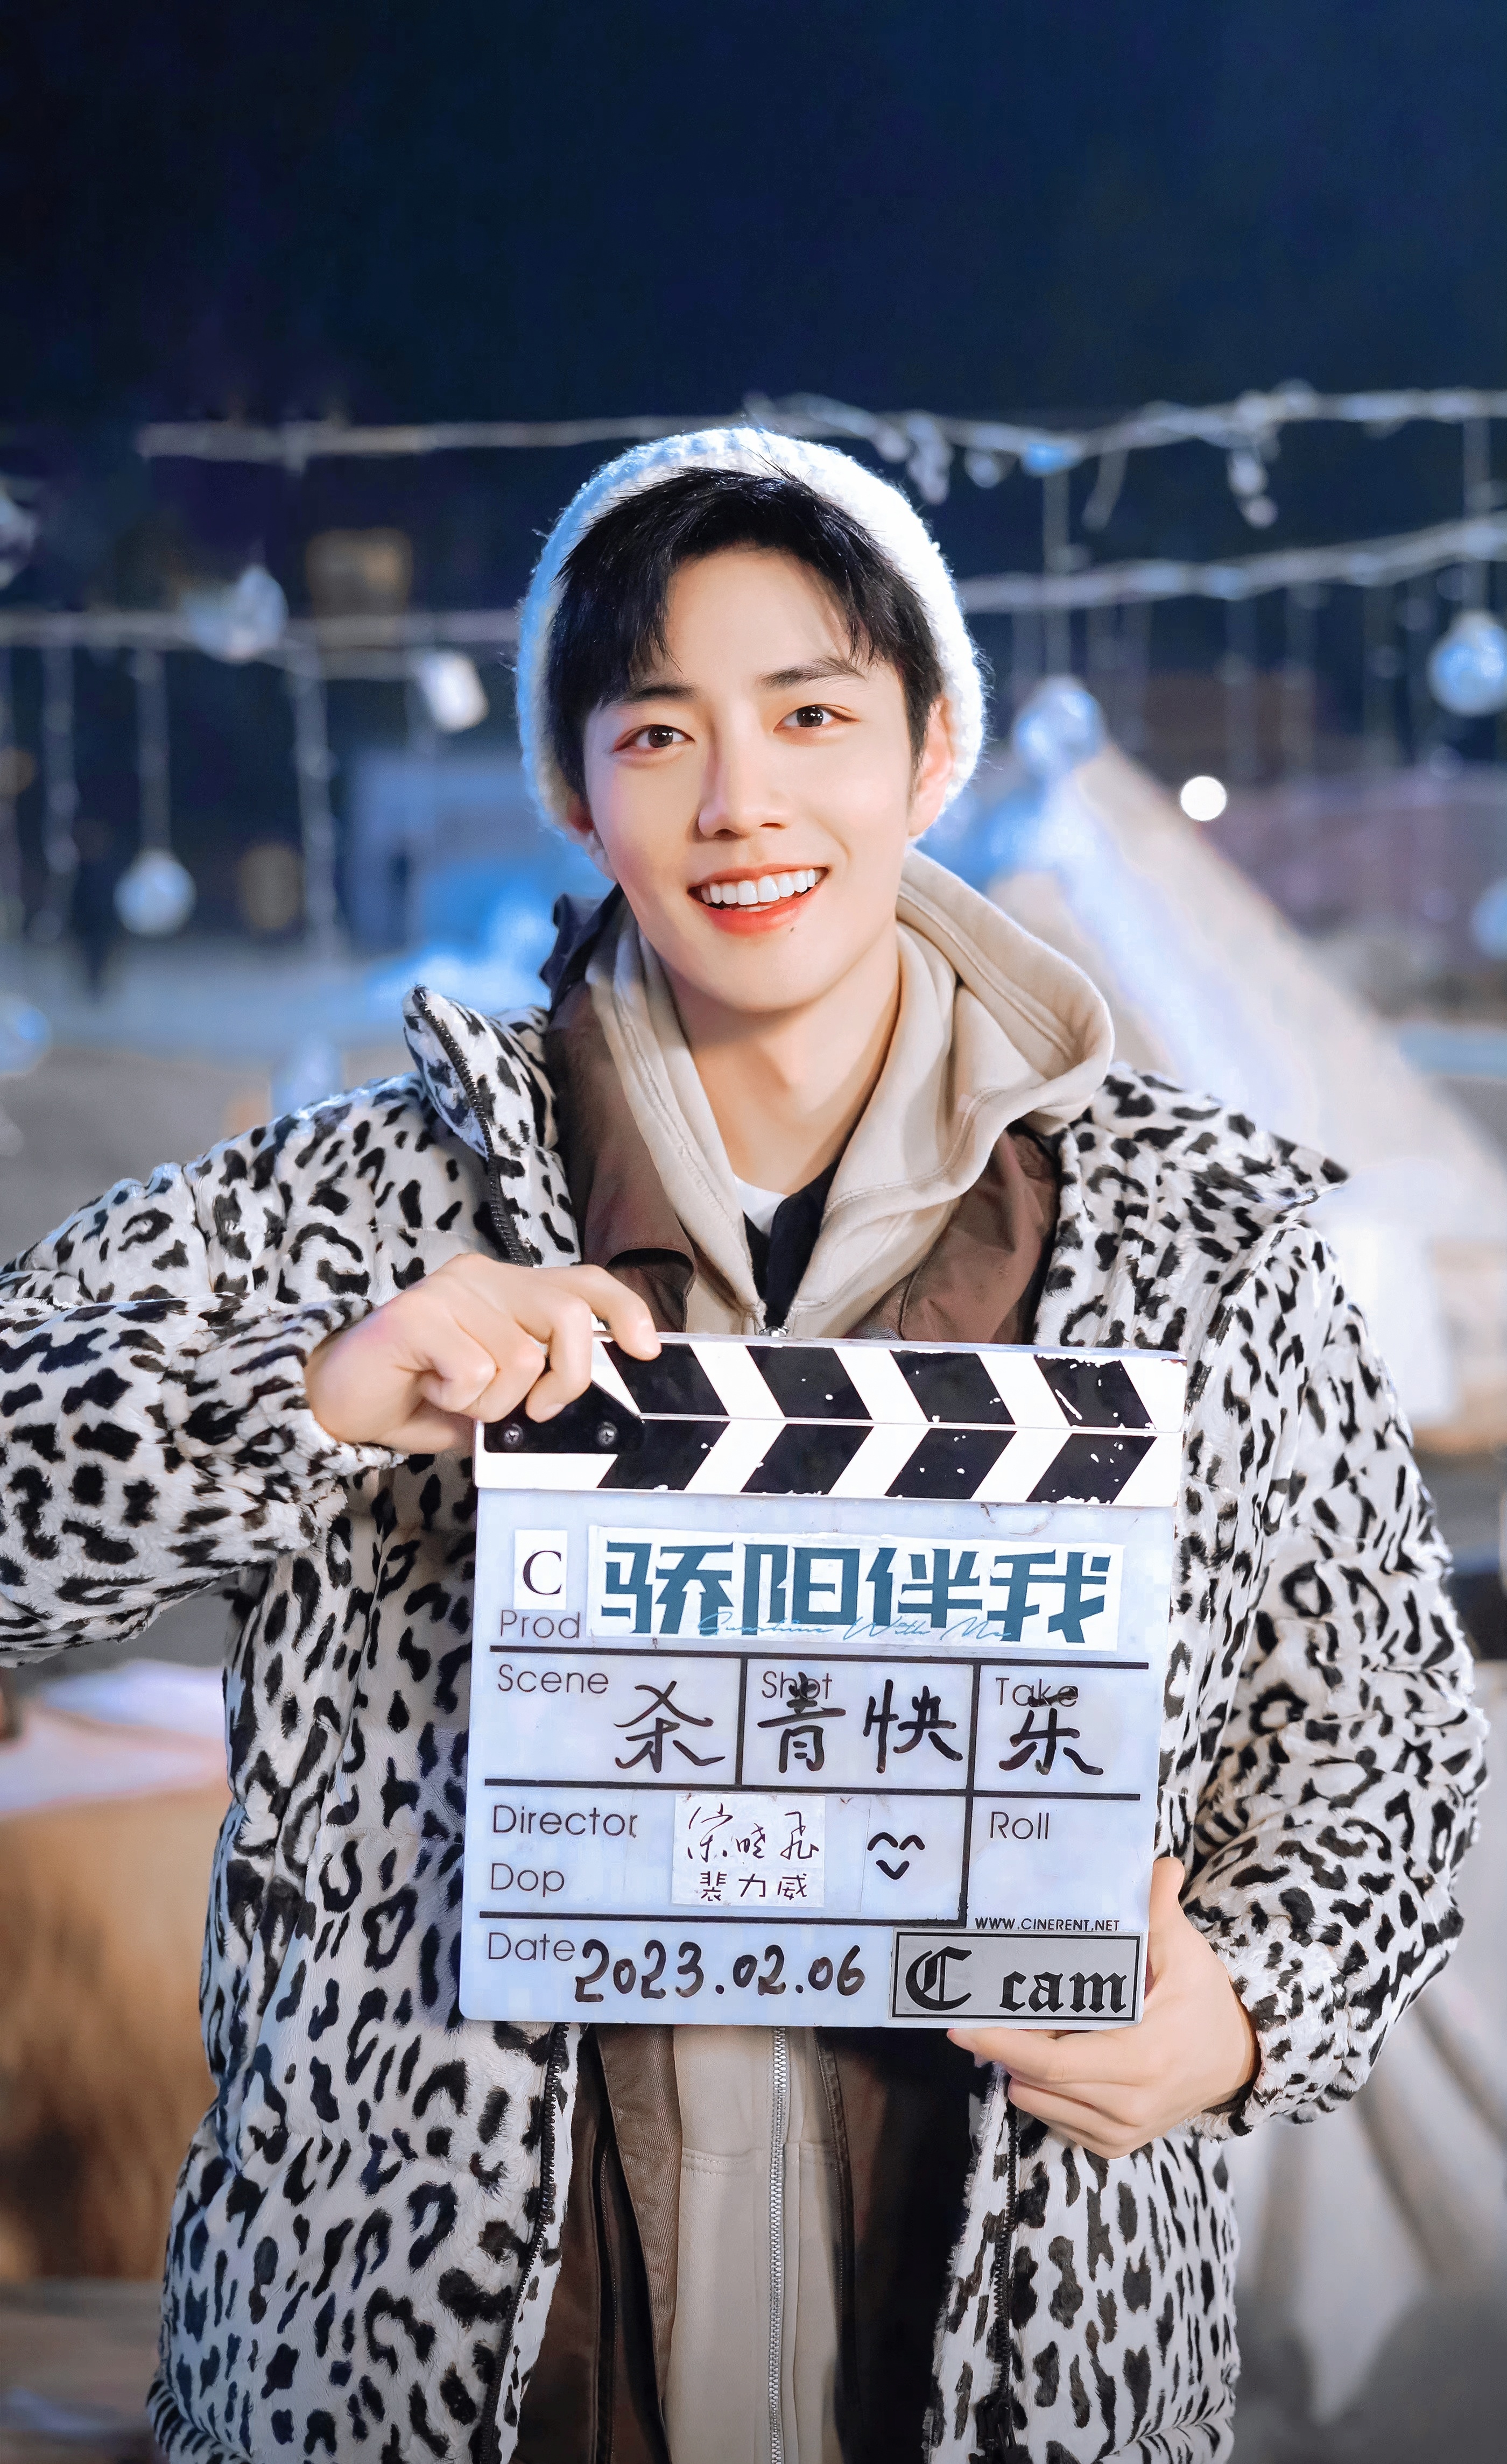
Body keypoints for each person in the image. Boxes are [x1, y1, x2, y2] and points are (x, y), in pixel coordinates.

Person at [0, 430, 1484, 2464]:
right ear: (575, 787)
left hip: (1021, 2366)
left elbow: (1389, 1740)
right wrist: (313, 1392)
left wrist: (1239, 2014)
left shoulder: (1200, 1241)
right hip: (421, 2384)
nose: (740, 801)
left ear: (934, 748)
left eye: (810, 714)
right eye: (657, 730)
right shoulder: (354, 1211)